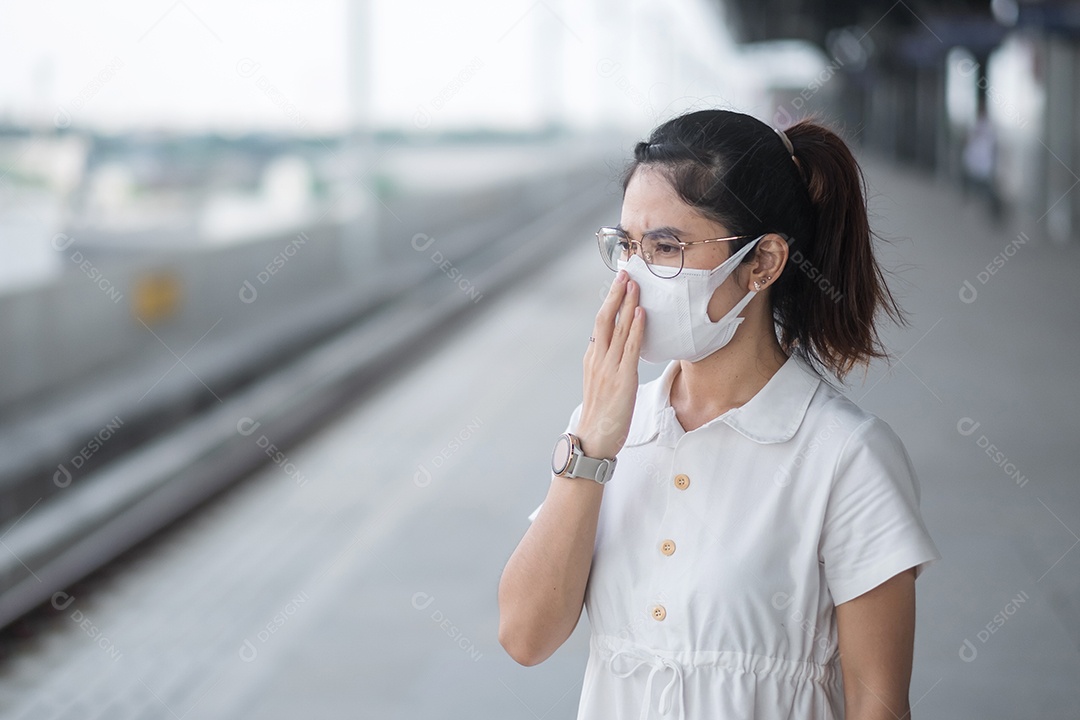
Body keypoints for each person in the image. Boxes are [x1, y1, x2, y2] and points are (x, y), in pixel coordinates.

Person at [497, 109, 941, 720]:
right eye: (625, 245)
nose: (633, 274)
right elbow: (525, 636)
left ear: (763, 263)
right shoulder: (606, 429)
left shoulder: (847, 455)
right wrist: (594, 445)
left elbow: (880, 706)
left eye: (667, 246)